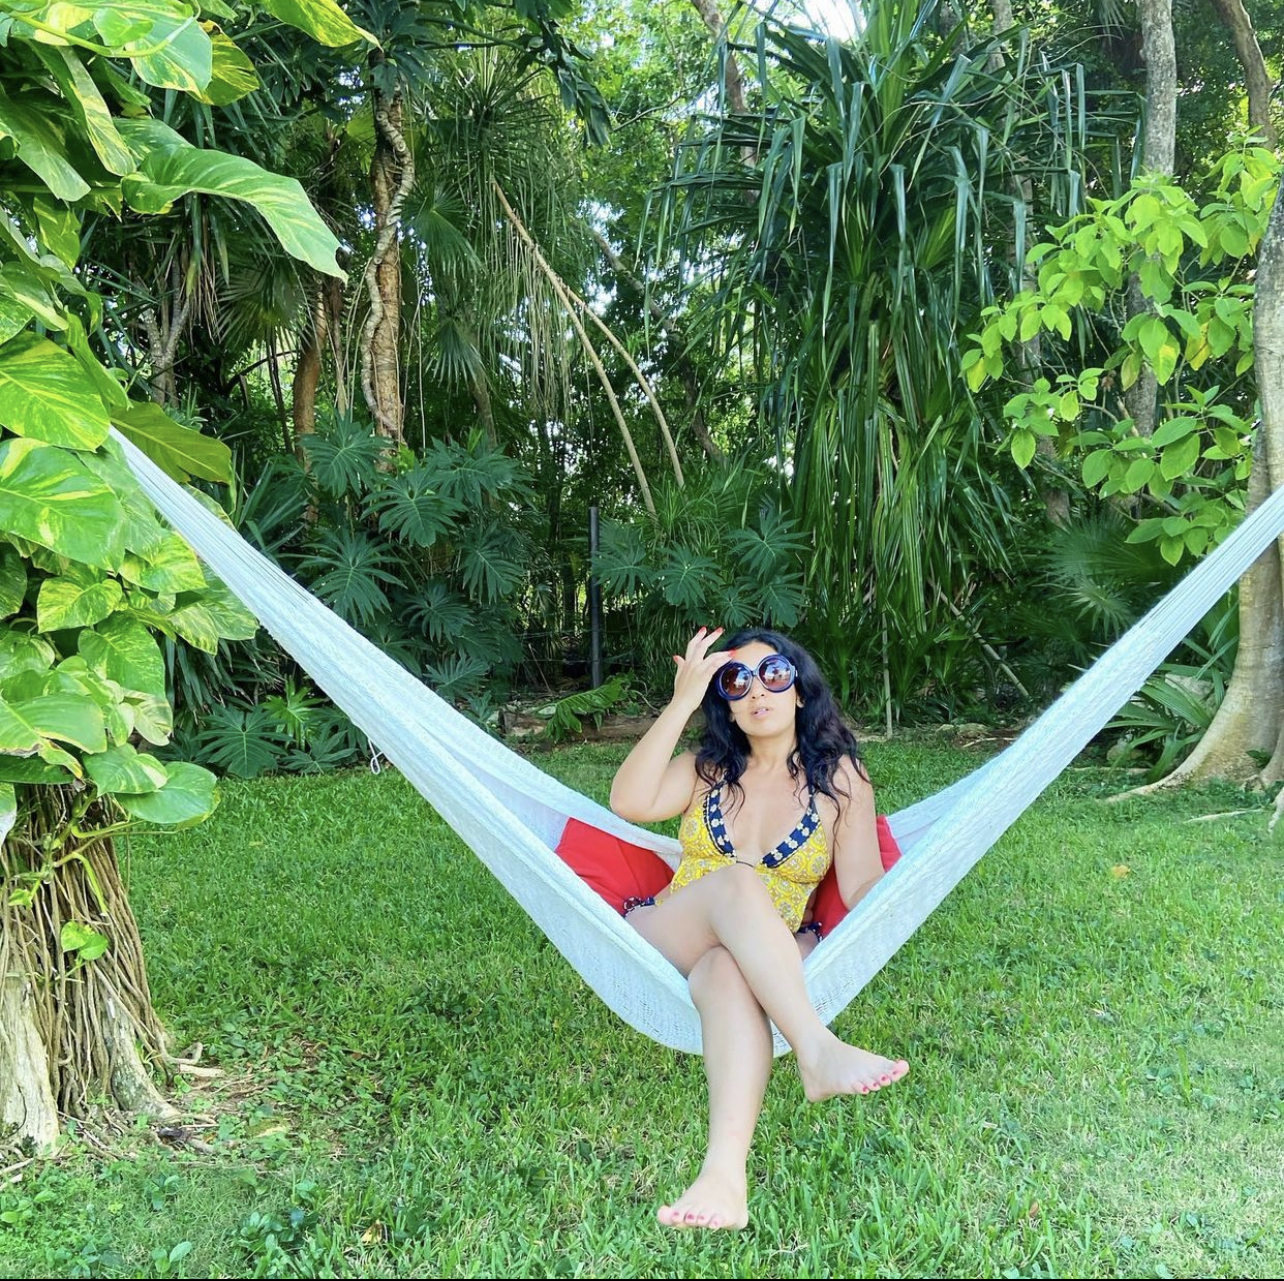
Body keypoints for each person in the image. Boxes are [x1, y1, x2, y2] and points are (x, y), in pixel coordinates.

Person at [610, 625, 909, 1231]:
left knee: (726, 971)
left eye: (772, 675)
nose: (756, 691)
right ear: (725, 704)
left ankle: (724, 1177)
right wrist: (682, 701)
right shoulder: (706, 770)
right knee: (738, 882)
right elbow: (628, 802)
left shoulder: (841, 781)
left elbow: (860, 886)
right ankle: (815, 1049)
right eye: (735, 682)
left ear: (799, 691)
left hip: (753, 955)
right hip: (669, 931)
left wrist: (921, 885)